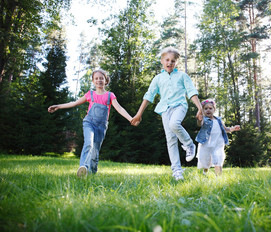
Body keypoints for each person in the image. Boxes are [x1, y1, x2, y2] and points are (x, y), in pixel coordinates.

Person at [131, 47, 203, 180]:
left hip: (180, 105)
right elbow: (149, 96)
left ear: (176, 63)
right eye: (167, 60)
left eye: (173, 61)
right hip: (165, 109)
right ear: (162, 61)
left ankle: (189, 144)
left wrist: (199, 108)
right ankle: (177, 172)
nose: (170, 63)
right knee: (170, 140)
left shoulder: (182, 76)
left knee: (174, 124)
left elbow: (191, 92)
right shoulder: (157, 79)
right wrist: (139, 114)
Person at [48, 69, 133, 178]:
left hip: (101, 126)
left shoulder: (110, 95)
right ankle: (83, 168)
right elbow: (74, 103)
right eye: (96, 78)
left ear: (106, 80)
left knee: (95, 152)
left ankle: (92, 173)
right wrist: (58, 106)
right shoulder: (90, 94)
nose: (99, 80)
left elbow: (120, 109)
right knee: (89, 143)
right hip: (89, 123)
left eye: (101, 78)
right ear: (93, 81)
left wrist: (131, 119)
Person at [195, 99, 240, 176]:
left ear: (214, 109)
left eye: (210, 108)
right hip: (206, 144)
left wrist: (233, 128)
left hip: (218, 143)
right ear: (202, 110)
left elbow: (226, 129)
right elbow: (200, 124)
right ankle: (205, 172)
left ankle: (218, 177)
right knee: (206, 161)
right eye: (205, 109)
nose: (208, 110)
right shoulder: (204, 119)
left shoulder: (219, 120)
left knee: (218, 159)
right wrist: (199, 120)